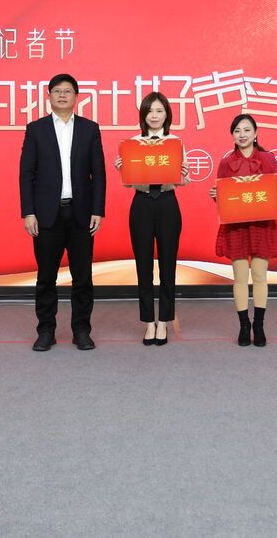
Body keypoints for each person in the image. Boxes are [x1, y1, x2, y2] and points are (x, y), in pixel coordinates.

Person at [19, 73, 106, 352]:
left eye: (67, 91)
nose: (62, 95)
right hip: (47, 215)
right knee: (46, 277)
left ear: (76, 97)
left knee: (83, 278)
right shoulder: (36, 129)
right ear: (49, 96)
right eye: (57, 91)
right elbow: (26, 174)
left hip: (81, 214)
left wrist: (98, 210)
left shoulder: (89, 129)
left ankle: (82, 330)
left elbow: (99, 174)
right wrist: (28, 212)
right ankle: (46, 331)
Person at [113, 92, 189, 346]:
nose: (154, 116)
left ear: (167, 114)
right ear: (143, 115)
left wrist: (183, 172)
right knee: (143, 265)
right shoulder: (133, 144)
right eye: (150, 111)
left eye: (159, 111)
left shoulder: (175, 142)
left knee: (168, 265)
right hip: (142, 204)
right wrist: (123, 169)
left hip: (167, 203)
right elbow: (129, 183)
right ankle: (148, 322)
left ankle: (164, 321)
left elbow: (184, 180)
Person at [209, 114, 277, 347]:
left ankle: (259, 325)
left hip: (262, 224)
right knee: (240, 278)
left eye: (246, 130)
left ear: (255, 133)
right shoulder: (226, 163)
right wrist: (216, 195)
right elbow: (225, 199)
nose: (242, 135)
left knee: (260, 276)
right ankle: (244, 326)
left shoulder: (268, 159)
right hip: (237, 227)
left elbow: (274, 194)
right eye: (237, 131)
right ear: (232, 135)